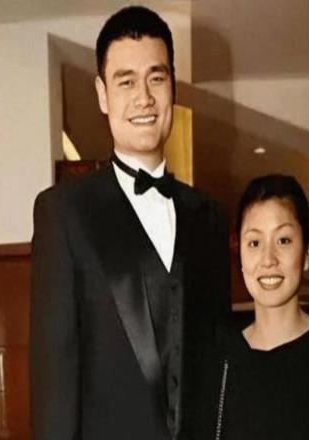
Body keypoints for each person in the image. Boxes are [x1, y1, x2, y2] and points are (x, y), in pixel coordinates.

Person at [30, 6, 229, 440]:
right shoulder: (64, 213)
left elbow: (219, 370)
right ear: (102, 94)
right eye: (126, 81)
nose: (144, 98)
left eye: (156, 78)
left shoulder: (210, 218)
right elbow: (54, 384)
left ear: (173, 86)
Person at [192, 174, 309, 439]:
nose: (268, 259)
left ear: (306, 255)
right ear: (241, 257)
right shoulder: (220, 355)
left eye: (283, 240)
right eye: (254, 243)